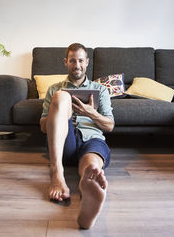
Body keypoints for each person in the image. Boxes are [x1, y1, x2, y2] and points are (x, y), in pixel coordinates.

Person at [39, 43, 114, 229]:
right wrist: (61, 111)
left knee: (91, 165)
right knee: (61, 97)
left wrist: (90, 112)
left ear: (87, 62)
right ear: (66, 62)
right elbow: (42, 126)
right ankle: (57, 174)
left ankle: (87, 187)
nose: (77, 65)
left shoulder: (100, 89)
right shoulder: (54, 89)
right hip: (64, 141)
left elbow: (110, 125)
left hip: (92, 138)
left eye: (81, 60)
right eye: (73, 60)